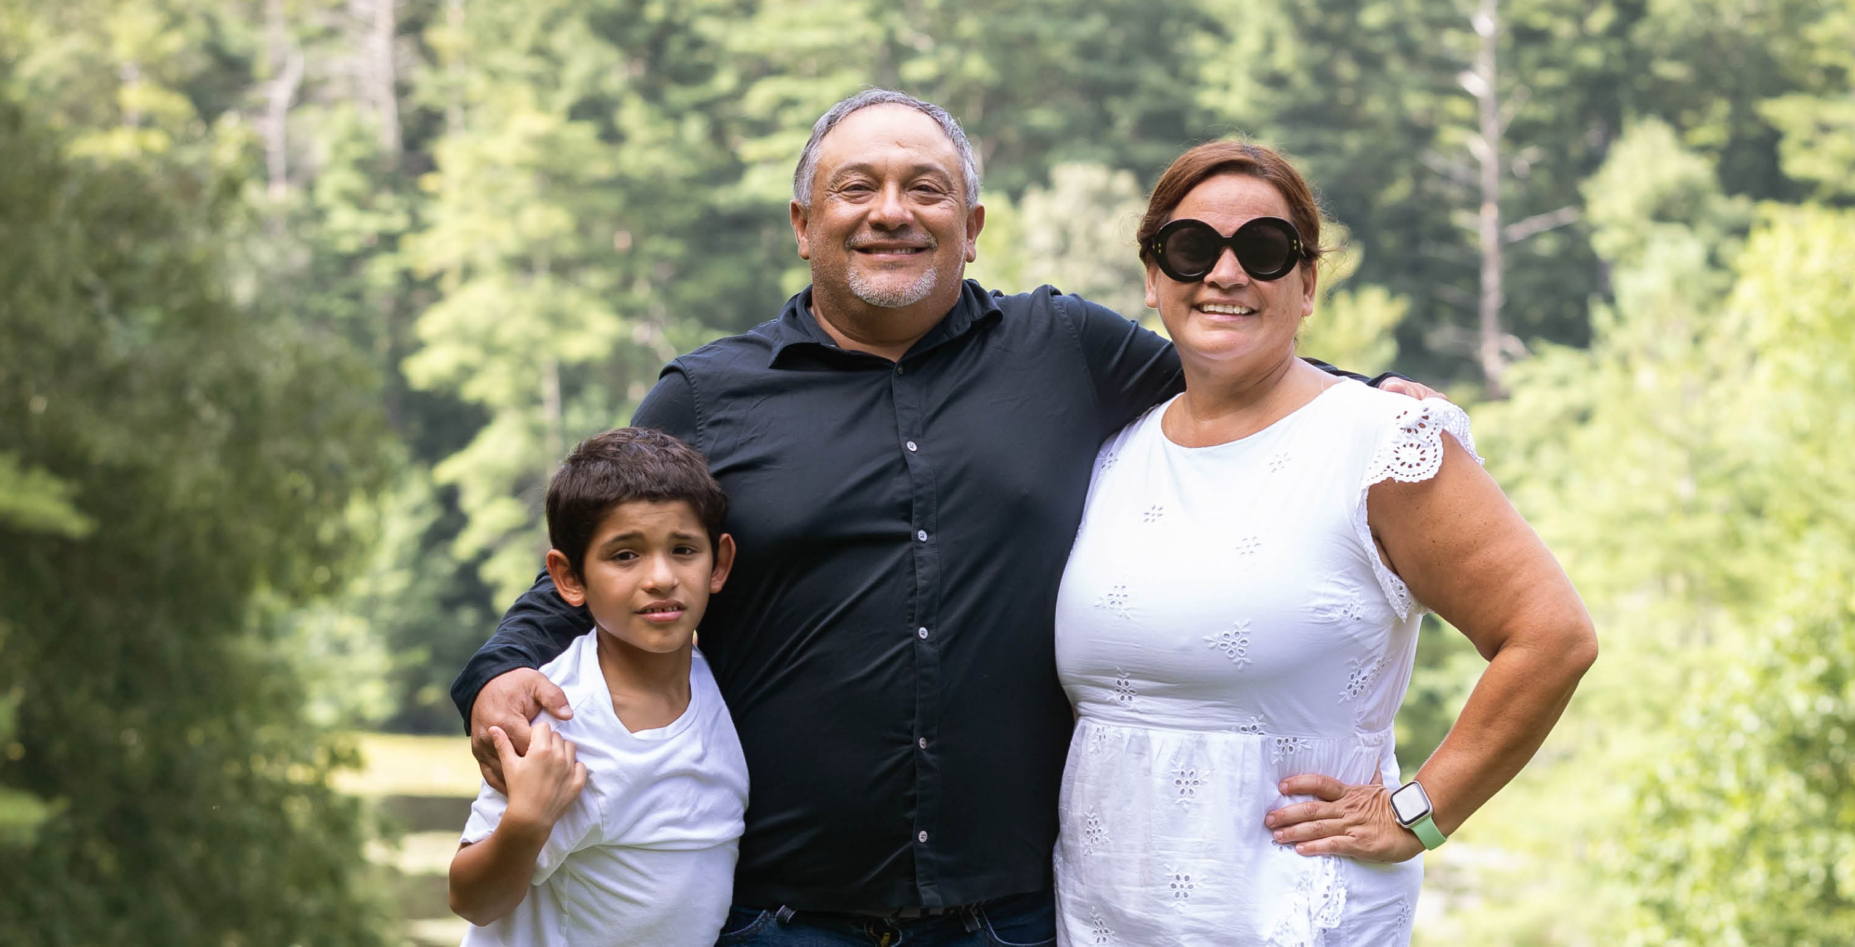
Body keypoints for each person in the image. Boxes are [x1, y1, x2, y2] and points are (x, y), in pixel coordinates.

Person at [450, 89, 1435, 947]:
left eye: (925, 189)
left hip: (1009, 913)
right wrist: (495, 674)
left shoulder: (1065, 348)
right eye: (857, 187)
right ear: (802, 221)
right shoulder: (709, 395)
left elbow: (1235, 368)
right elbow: (591, 566)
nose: (891, 212)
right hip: (781, 914)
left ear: (972, 224)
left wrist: (1367, 398)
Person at [1048, 141, 1597, 945]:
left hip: (1292, 915)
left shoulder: (1380, 443)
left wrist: (1420, 812)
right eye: (1193, 248)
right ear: (1153, 275)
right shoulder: (1113, 453)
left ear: (1306, 284)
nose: (1225, 274)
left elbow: (1553, 635)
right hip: (1103, 919)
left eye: (1264, 251)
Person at [446, 427, 748, 946]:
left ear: (718, 563)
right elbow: (470, 898)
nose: (660, 577)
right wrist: (526, 821)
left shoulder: (719, 683)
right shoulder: (560, 720)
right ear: (569, 577)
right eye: (625, 555)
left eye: (682, 550)